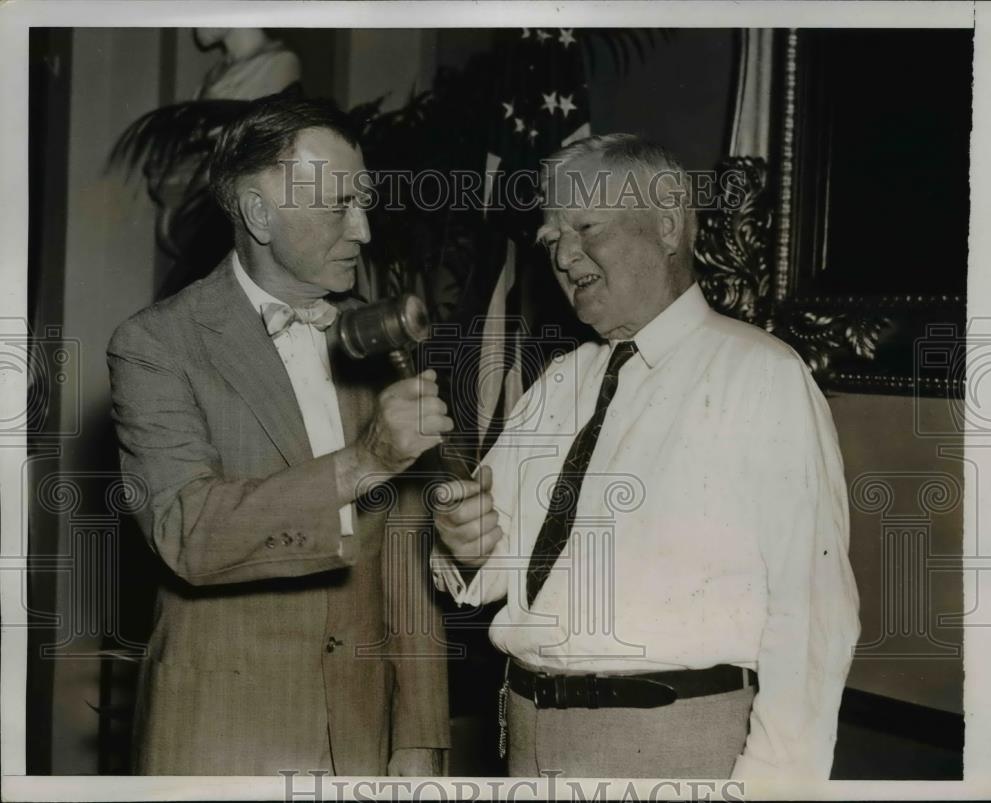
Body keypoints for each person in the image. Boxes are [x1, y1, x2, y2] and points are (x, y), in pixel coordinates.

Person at [432, 133, 861, 779]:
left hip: (676, 744)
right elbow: (494, 559)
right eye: (551, 238)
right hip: (526, 739)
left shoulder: (760, 375)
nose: (563, 253)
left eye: (585, 226)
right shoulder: (560, 383)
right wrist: (464, 544)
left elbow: (814, 610)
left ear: (666, 224)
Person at [108, 96, 450, 776]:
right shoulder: (155, 344)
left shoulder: (373, 335)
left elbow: (404, 561)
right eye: (338, 205)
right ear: (259, 214)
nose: (364, 230)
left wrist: (419, 735)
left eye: (365, 201)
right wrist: (364, 461)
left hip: (361, 736)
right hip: (221, 735)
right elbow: (190, 532)